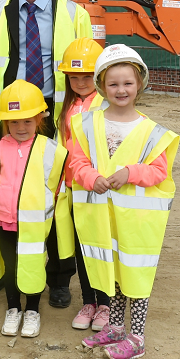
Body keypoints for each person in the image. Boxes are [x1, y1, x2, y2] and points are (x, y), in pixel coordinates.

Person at [0, 0, 92, 305]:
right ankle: (6, 273)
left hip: (56, 117)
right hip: (9, 120)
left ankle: (58, 277)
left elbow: (86, 69)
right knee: (5, 199)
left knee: (56, 200)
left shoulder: (75, 14)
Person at [70, 44, 179, 359]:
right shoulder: (88, 123)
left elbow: (159, 172)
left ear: (140, 84)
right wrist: (92, 178)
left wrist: (130, 172)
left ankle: (137, 338)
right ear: (101, 86)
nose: (121, 90)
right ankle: (116, 329)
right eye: (113, 83)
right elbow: (77, 162)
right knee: (114, 276)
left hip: (136, 225)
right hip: (104, 220)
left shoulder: (151, 132)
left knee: (136, 278)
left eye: (127, 83)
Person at [0, 80, 70, 338]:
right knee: (12, 267)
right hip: (5, 221)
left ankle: (33, 311)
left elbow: (60, 182)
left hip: (35, 224)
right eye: (14, 122)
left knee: (34, 265)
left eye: (27, 121)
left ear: (40, 118)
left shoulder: (50, 150)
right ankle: (13, 308)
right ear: (5, 123)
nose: (20, 127)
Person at [54, 38, 111, 331]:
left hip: (99, 188)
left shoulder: (105, 105)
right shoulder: (68, 107)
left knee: (101, 246)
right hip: (74, 189)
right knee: (81, 248)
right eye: (73, 76)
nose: (80, 81)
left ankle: (106, 305)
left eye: (87, 76)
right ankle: (89, 301)